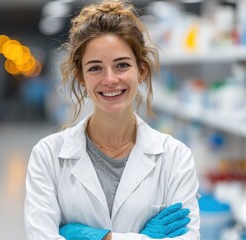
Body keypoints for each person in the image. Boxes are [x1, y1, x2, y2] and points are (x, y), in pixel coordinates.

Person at [24, 0, 200, 239]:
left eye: (122, 65)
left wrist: (101, 237)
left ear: (142, 71)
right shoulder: (47, 156)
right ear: (81, 78)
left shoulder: (176, 158)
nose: (110, 79)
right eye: (95, 68)